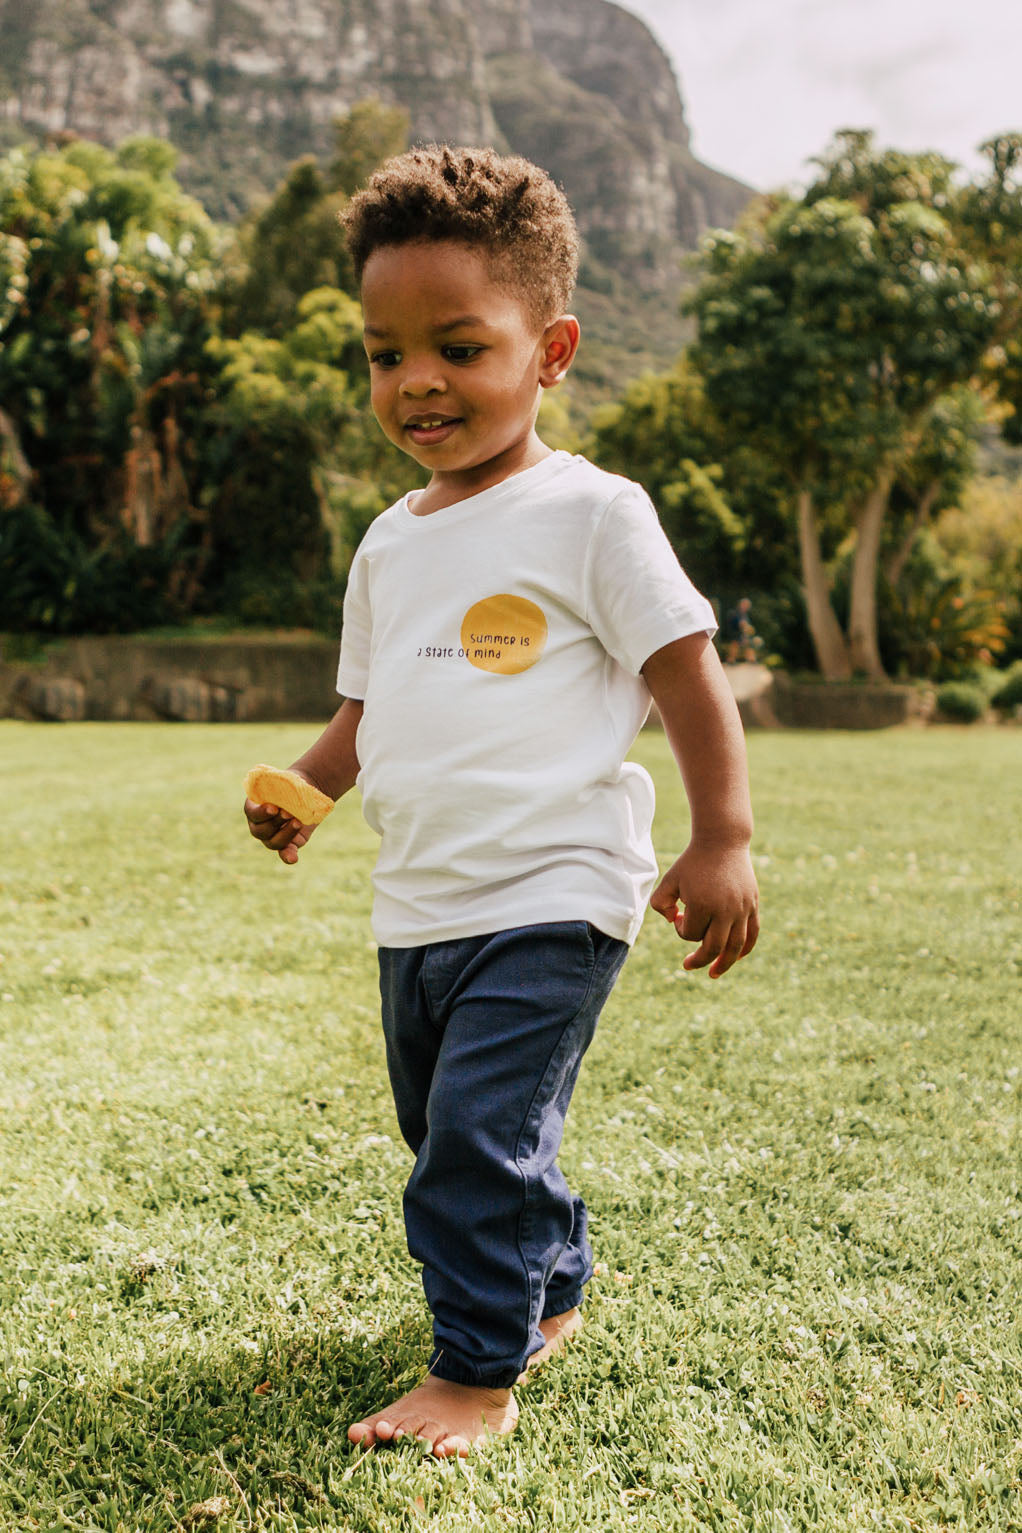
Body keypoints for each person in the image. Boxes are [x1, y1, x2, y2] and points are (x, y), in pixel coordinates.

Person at [243, 146, 759, 1458]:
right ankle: (554, 1279)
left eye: (459, 347)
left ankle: (474, 1373)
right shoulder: (389, 540)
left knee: (470, 1137)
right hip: (416, 907)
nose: (416, 380)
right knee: (449, 1126)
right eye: (384, 353)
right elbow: (372, 706)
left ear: (552, 348)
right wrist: (308, 785)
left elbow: (685, 673)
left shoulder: (593, 513)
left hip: (553, 892)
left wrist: (722, 837)